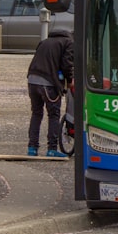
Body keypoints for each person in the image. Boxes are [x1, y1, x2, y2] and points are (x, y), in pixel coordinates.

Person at [26, 29, 74, 157]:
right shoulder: (68, 43)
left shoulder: (44, 42)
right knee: (53, 115)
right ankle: (52, 149)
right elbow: (67, 65)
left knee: (36, 113)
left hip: (32, 80)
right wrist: (70, 80)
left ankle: (32, 148)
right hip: (48, 83)